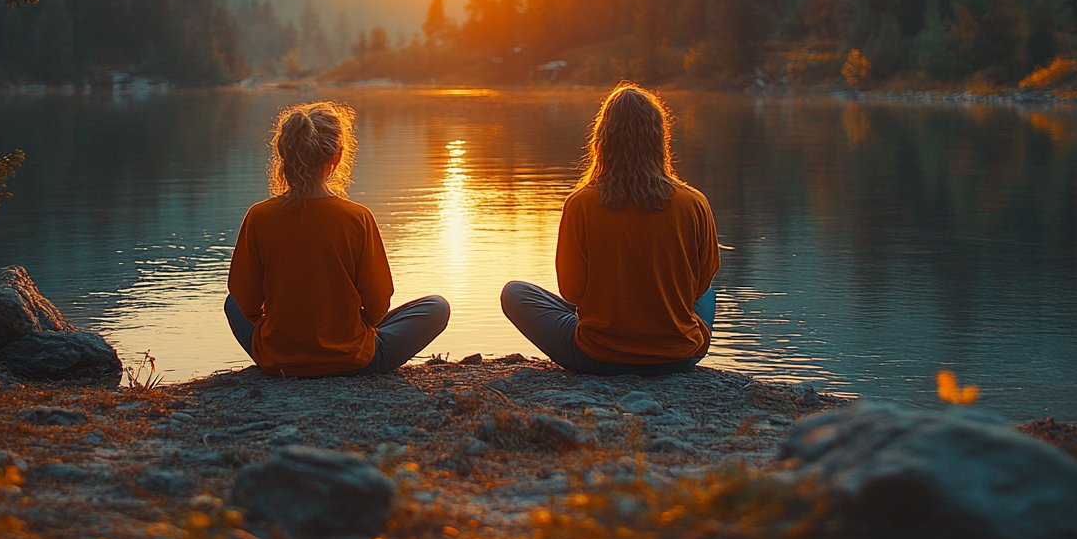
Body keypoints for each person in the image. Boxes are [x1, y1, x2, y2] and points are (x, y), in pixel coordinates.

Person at [501, 83, 719, 375]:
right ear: (659, 139)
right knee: (709, 292)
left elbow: (572, 292)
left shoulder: (581, 203)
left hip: (599, 355)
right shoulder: (694, 202)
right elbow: (700, 286)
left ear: (602, 139)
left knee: (515, 293)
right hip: (679, 356)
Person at [224, 101, 449, 377]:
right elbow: (378, 305)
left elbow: (245, 301)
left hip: (279, 360)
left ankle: (284, 349)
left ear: (283, 153)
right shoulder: (357, 218)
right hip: (353, 360)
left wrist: (283, 332)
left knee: (231, 302)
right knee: (436, 307)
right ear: (337, 155)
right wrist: (348, 330)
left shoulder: (259, 216)